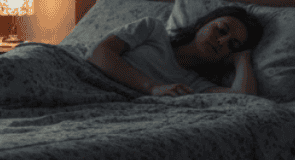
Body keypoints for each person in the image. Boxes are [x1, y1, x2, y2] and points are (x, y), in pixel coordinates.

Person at [88, 7, 264, 96]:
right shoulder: (153, 30)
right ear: (205, 22)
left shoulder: (195, 85)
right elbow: (98, 53)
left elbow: (243, 101)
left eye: (232, 45)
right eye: (222, 30)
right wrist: (152, 87)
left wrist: (242, 59)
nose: (221, 41)